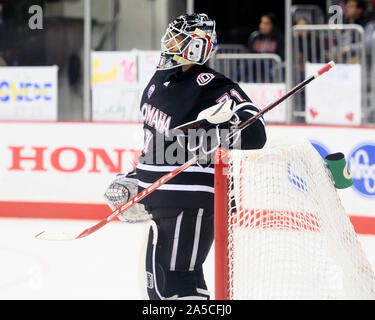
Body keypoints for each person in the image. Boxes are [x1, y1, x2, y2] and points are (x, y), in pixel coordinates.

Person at [106, 13, 267, 300]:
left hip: (190, 202)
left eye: (178, 37)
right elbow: (154, 140)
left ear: (196, 46)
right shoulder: (160, 79)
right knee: (165, 287)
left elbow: (255, 132)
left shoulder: (213, 86)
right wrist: (138, 175)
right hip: (162, 200)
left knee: (175, 288)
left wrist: (216, 126)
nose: (169, 41)